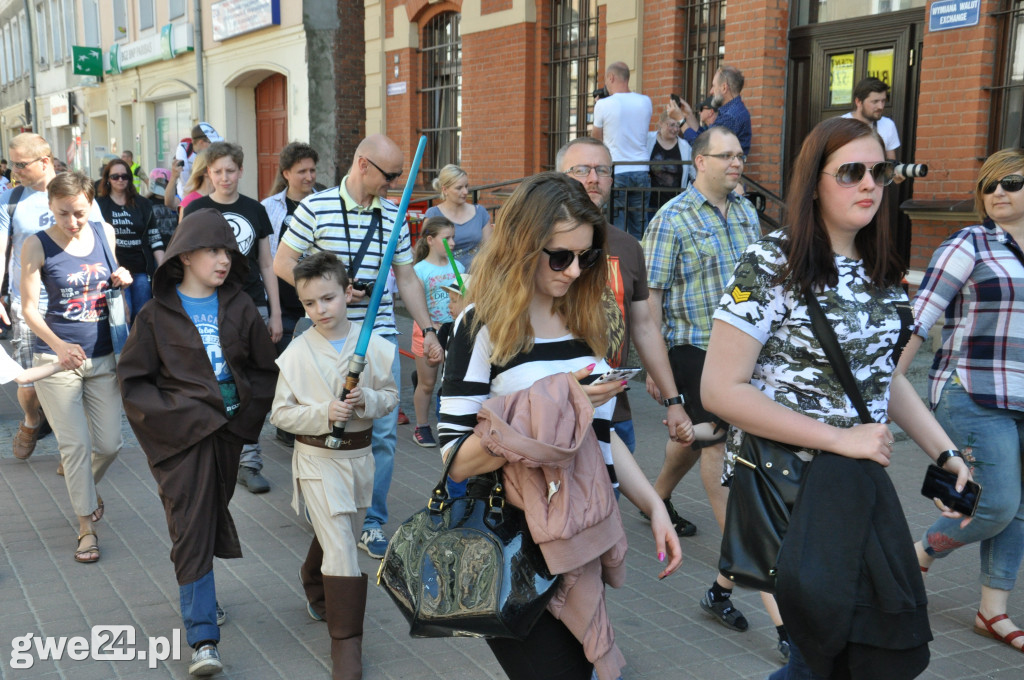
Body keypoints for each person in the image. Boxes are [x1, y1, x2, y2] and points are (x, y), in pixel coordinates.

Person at [702, 116, 971, 678]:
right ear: (814, 182)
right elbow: (720, 390)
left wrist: (945, 455)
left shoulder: (880, 266)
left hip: (855, 485)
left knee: (856, 650)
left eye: (880, 171)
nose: (869, 184)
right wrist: (840, 438)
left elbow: (882, 378)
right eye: (851, 172)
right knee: (824, 651)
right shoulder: (772, 262)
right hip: (790, 487)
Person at [438, 172, 682, 680]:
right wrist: (556, 404)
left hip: (581, 537)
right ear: (524, 245)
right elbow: (456, 458)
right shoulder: (481, 326)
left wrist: (654, 505)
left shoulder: (589, 321)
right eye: (560, 256)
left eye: (587, 256)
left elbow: (599, 437)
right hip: (511, 542)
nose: (574, 270)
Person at [117, 208, 278, 677]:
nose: (223, 259)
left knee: (204, 519)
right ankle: (203, 637)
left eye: (227, 250)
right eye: (211, 250)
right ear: (185, 256)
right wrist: (174, 421)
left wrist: (244, 424)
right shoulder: (155, 314)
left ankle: (198, 593)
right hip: (180, 439)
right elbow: (134, 382)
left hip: (228, 436)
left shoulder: (241, 307)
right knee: (189, 525)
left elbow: (263, 371)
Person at [273, 133, 442, 560]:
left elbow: (406, 278)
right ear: (363, 164)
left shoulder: (394, 216)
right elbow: (282, 262)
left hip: (379, 331)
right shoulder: (316, 207)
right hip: (326, 334)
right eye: (391, 176)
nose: (395, 185)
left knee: (381, 431)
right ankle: (320, 500)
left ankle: (370, 522)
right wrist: (326, 293)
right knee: (326, 421)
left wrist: (429, 329)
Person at [895, 148, 1024, 655]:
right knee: (995, 505)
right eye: (989, 186)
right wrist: (887, 384)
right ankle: (914, 556)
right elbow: (920, 317)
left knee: (1019, 509)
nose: (998, 193)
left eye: (1010, 183)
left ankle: (992, 611)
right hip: (971, 390)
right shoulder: (969, 243)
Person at [640, 126, 761, 633]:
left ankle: (655, 495)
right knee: (716, 446)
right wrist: (657, 370)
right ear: (699, 162)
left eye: (740, 155)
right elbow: (649, 302)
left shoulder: (748, 211)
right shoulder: (672, 219)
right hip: (695, 347)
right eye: (726, 156)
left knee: (696, 436)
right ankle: (743, 548)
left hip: (746, 347)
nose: (737, 163)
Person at [270, 251, 398, 679]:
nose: (319, 310)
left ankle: (314, 583)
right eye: (309, 303)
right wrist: (323, 412)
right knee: (343, 546)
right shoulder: (297, 351)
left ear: (347, 294)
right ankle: (346, 647)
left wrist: (370, 401)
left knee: (338, 533)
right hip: (317, 460)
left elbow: (392, 398)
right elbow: (281, 414)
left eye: (328, 298)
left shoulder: (376, 346)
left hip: (360, 460)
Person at [555, 137, 694, 467]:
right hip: (553, 408)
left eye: (602, 170)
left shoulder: (629, 246)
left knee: (609, 506)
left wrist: (674, 400)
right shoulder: (537, 243)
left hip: (615, 412)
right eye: (581, 170)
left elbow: (645, 327)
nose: (593, 179)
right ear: (559, 177)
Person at [20, 171, 130, 564]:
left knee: (110, 445)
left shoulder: (103, 233)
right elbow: (30, 310)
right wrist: (59, 346)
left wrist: (123, 276)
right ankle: (87, 528)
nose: (72, 222)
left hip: (103, 354)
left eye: (80, 213)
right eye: (64, 213)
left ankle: (82, 484)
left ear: (90, 203)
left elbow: (112, 278)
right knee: (76, 445)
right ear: (50, 205)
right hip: (56, 359)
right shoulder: (36, 245)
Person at [183, 141, 281, 494]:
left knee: (250, 380)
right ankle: (211, 453)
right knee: (213, 379)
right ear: (207, 173)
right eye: (217, 171)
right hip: (207, 306)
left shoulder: (255, 210)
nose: (224, 177)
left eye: (230, 170)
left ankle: (250, 459)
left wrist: (275, 312)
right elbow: (185, 261)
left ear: (241, 172)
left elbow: (267, 264)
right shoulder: (196, 210)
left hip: (250, 304)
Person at [0, 133, 104, 460]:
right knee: (28, 383)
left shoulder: (76, 194)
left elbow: (100, 241)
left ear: (45, 161)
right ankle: (32, 420)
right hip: (28, 304)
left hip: (75, 301)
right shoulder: (10, 199)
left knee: (77, 376)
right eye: (13, 164)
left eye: (21, 164)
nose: (14, 171)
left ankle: (70, 449)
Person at [410, 216, 464, 447]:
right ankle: (421, 427)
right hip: (428, 332)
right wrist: (433, 327)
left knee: (452, 380)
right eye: (447, 238)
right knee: (427, 384)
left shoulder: (458, 266)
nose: (452, 243)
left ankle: (449, 424)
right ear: (430, 240)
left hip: (454, 333)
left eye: (454, 237)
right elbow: (417, 305)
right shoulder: (419, 270)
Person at [263, 141, 320, 354]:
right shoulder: (269, 207)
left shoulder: (325, 204)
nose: (309, 176)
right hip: (283, 305)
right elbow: (266, 259)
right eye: (302, 171)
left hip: (316, 303)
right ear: (286, 173)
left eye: (312, 170)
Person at [96, 157, 164, 321]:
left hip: (141, 268)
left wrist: (162, 268)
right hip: (114, 269)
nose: (120, 180)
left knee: (142, 314)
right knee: (123, 315)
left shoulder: (143, 204)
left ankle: (141, 346)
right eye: (115, 176)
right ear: (108, 179)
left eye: (124, 176)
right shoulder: (99, 205)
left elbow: (154, 237)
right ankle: (125, 347)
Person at [593, 61, 653, 238]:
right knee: (640, 228)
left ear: (611, 78)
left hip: (617, 170)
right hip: (642, 170)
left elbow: (595, 139)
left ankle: (617, 263)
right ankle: (639, 263)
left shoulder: (603, 105)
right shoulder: (645, 101)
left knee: (616, 228)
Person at [670, 65, 752, 157]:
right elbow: (705, 137)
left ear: (724, 88)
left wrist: (681, 121)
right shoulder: (732, 110)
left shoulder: (731, 116)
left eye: (713, 86)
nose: (711, 91)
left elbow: (702, 147)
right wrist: (688, 115)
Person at [423, 164, 491, 269]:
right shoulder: (433, 214)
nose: (465, 192)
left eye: (466, 186)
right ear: (445, 189)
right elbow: (427, 250)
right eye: (459, 188)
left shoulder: (480, 212)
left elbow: (490, 249)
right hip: (447, 278)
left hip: (477, 276)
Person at [646, 112, 694, 218]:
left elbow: (694, 173)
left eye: (678, 125)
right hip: (652, 205)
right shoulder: (648, 140)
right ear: (660, 124)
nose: (675, 129)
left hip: (676, 205)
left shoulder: (685, 146)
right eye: (671, 125)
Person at [842, 77, 901, 161]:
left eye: (883, 101)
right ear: (858, 102)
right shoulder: (840, 125)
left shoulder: (888, 125)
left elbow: (891, 165)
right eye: (875, 101)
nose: (880, 106)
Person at [174, 122, 222, 200]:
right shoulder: (184, 149)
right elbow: (184, 179)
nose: (214, 146)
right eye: (211, 143)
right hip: (185, 193)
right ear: (201, 142)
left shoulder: (211, 152)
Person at [177, 151, 212, 218]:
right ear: (205, 171)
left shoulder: (226, 197)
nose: (224, 176)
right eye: (218, 170)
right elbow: (183, 228)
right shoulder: (190, 201)